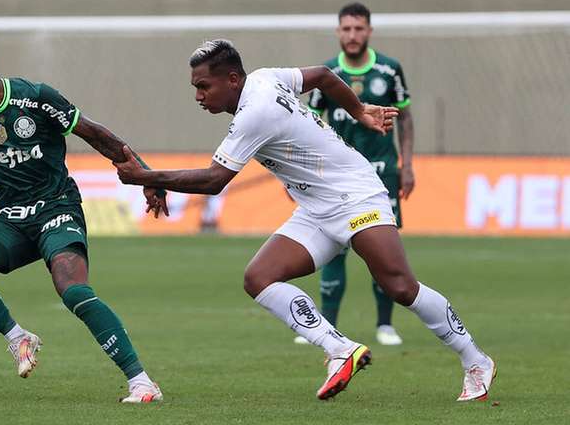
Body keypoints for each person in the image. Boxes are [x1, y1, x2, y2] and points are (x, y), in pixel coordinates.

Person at [115, 39, 495, 401]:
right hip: (315, 208)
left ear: (232, 79)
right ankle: (339, 349)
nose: (198, 96)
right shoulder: (266, 77)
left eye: (203, 86)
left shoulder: (255, 111)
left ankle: (476, 361)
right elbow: (324, 77)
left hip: (354, 194)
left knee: (399, 286)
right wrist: (359, 110)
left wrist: (146, 177)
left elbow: (215, 180)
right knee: (259, 278)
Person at [0, 34, 168, 403]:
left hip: (56, 208)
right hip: (10, 220)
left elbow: (95, 134)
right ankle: (17, 337)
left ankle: (141, 382)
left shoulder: (34, 98)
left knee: (73, 290)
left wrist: (147, 177)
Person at [298, 2, 416, 347]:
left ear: (369, 31)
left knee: (383, 249)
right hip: (335, 177)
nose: (353, 35)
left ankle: (385, 324)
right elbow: (310, 123)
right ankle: (328, 324)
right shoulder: (326, 74)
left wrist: (407, 165)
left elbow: (406, 118)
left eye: (359, 28)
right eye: (347, 29)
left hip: (381, 172)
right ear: (338, 32)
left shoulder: (390, 70)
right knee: (334, 247)